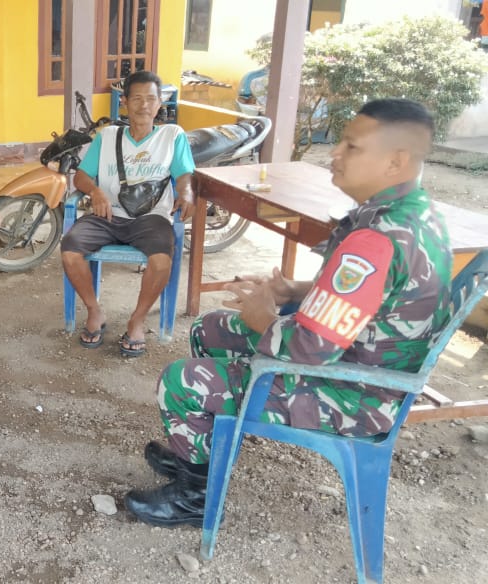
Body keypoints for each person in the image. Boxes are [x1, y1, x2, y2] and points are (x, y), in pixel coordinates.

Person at [124, 98, 452, 527]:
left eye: (352, 146)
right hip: (355, 362)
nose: (335, 154)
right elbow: (373, 297)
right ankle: (203, 450)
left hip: (353, 392)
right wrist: (292, 290)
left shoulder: (378, 238)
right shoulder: (411, 213)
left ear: (396, 161)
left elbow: (309, 350)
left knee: (180, 381)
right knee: (210, 329)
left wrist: (263, 318)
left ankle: (196, 496)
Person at [62, 70, 195, 358]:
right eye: (136, 98)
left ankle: (137, 320)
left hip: (151, 218)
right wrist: (96, 192)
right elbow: (81, 177)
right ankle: (94, 311)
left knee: (161, 260)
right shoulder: (108, 136)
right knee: (70, 249)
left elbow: (184, 175)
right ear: (124, 102)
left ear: (160, 103)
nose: (144, 105)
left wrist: (186, 193)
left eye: (151, 99)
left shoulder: (172, 135)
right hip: (108, 214)